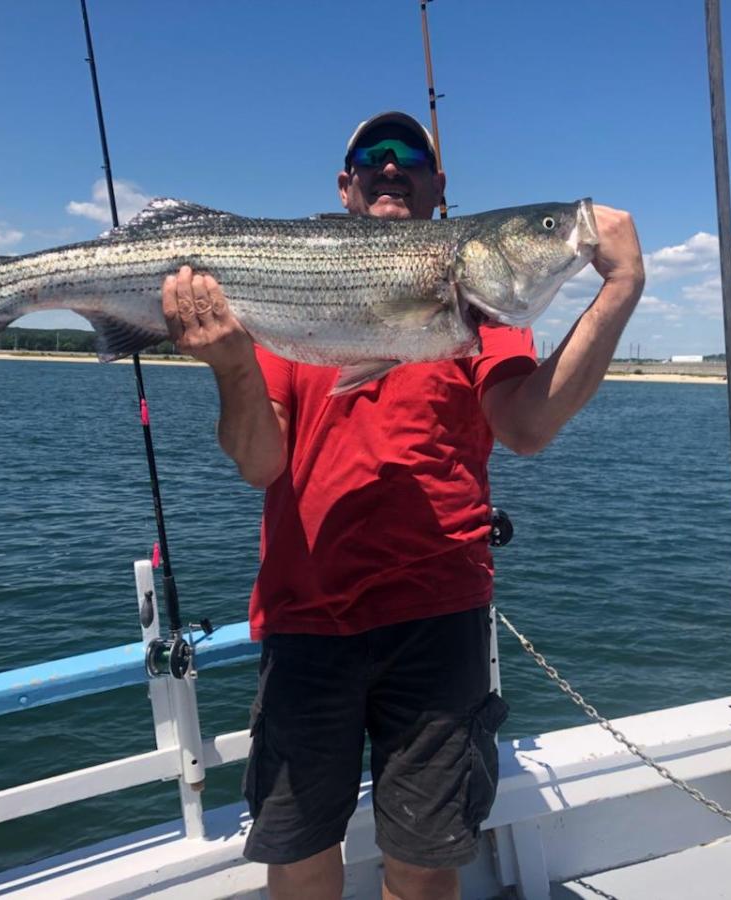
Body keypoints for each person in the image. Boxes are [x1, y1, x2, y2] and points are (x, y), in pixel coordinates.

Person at [161, 111, 644, 900]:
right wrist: (229, 364)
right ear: (345, 186)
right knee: (299, 849)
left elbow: (525, 426)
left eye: (410, 156)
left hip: (438, 613)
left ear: (438, 189)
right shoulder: (289, 293)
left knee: (425, 862)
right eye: (370, 157)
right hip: (305, 614)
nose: (391, 166)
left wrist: (621, 285)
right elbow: (259, 464)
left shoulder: (483, 311)